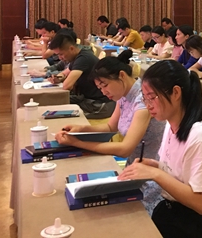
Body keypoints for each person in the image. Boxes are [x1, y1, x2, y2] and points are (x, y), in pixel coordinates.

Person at [55, 50, 165, 214]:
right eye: (100, 88)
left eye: (105, 85)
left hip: (150, 176)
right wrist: (81, 129)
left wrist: (77, 142)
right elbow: (110, 127)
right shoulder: (123, 94)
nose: (103, 92)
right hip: (133, 169)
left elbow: (125, 148)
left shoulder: (143, 101)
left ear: (121, 76)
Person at [118, 60, 202, 238]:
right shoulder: (170, 124)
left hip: (192, 224)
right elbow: (179, 173)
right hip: (171, 209)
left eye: (152, 97)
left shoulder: (198, 135)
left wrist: (156, 174)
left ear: (176, 93)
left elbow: (201, 204)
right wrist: (155, 166)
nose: (148, 105)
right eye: (145, 98)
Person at [48, 33, 115, 118]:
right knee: (54, 102)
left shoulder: (83, 58)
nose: (59, 58)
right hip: (88, 99)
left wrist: (64, 79)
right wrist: (58, 78)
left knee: (58, 108)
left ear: (71, 48)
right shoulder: (77, 56)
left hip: (99, 104)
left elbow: (66, 86)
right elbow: (64, 73)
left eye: (61, 54)